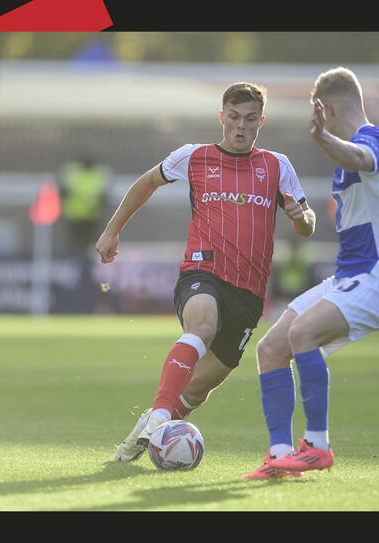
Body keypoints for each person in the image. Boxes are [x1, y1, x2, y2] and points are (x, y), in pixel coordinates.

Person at [96, 81, 316, 463]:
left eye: (250, 119)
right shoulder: (193, 156)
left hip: (249, 292)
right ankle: (162, 416)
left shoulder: (277, 165)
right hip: (204, 270)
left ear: (260, 122)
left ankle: (148, 427)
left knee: (197, 390)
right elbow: (147, 182)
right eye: (234, 117)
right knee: (202, 326)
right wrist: (112, 231)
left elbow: (307, 223)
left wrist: (302, 218)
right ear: (222, 117)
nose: (241, 126)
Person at [243, 67, 379, 479]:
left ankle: (318, 446)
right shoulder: (371, 148)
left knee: (301, 333)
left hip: (377, 279)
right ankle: (280, 454)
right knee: (270, 348)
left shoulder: (374, 140)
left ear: (324, 108)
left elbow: (358, 158)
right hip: (351, 276)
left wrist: (321, 137)